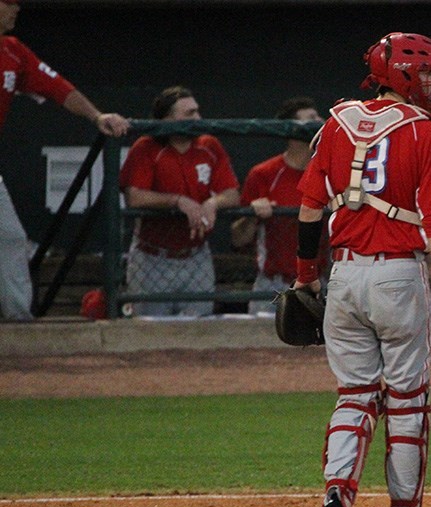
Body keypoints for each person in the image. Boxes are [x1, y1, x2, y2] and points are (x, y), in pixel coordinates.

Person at [292, 31, 431, 507]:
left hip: (342, 277)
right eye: (427, 73)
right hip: (397, 278)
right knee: (408, 401)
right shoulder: (426, 132)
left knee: (354, 395)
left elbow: (309, 209)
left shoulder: (336, 122)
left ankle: (337, 501)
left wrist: (304, 276)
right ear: (401, 74)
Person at [0, 0, 129, 321]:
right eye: (9, 3)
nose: (17, 9)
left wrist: (97, 115)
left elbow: (57, 87)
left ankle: (18, 324)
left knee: (10, 239)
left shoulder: (13, 51)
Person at [120, 86, 240, 317]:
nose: (197, 118)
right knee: (150, 331)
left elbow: (232, 193)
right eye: (189, 114)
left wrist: (212, 203)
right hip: (153, 258)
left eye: (197, 112)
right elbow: (134, 196)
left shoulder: (209, 144)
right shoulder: (147, 147)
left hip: (197, 256)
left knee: (199, 331)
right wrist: (177, 201)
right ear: (166, 119)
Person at [230, 96, 326, 315]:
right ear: (291, 129)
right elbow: (238, 238)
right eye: (311, 119)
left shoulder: (328, 171)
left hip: (317, 279)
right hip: (274, 283)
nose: (319, 122)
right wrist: (252, 215)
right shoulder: (264, 174)